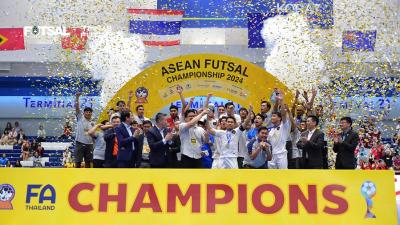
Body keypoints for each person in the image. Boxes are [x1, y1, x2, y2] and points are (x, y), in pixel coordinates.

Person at [267, 90, 291, 169]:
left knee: (283, 176)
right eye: (272, 116)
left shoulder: (284, 126)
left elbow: (283, 114)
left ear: (279, 118)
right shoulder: (270, 130)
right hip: (272, 155)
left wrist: (281, 101)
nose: (272, 118)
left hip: (281, 155)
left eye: (274, 116)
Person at [74, 92, 95, 168]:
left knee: (88, 163)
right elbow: (76, 107)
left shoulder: (93, 122)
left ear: (91, 113)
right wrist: (77, 97)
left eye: (90, 112)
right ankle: (76, 177)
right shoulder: (80, 118)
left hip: (89, 144)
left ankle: (87, 177)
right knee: (78, 162)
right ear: (83, 113)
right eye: (86, 112)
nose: (88, 113)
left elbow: (94, 135)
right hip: (79, 143)